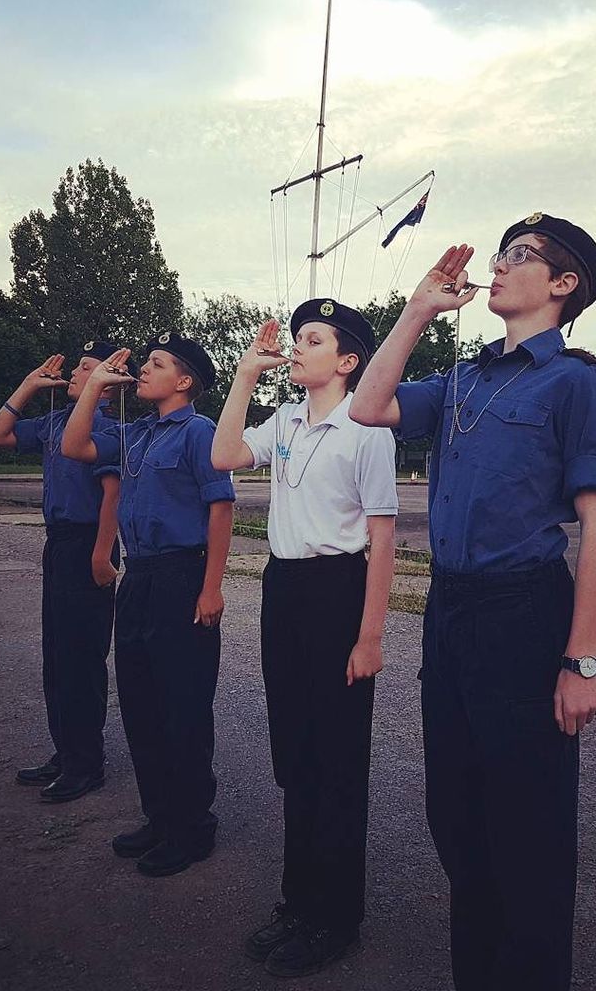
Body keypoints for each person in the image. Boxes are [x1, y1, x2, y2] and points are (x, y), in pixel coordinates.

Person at [349, 214, 596, 991]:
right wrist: (418, 310)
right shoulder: (463, 379)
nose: (498, 267)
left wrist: (581, 659)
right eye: (501, 254)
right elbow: (368, 407)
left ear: (564, 285)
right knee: (459, 820)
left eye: (520, 256)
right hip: (452, 610)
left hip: (524, 612)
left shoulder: (574, 382)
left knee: (528, 830)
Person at [211, 299, 398, 978]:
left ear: (347, 361)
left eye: (311, 340)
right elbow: (224, 454)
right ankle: (300, 901)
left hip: (340, 593)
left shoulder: (367, 427)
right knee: (295, 751)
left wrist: (370, 635)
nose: (296, 347)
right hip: (284, 588)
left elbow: (382, 541)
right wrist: (243, 377)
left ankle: (336, 917)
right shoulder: (285, 418)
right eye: (296, 338)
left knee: (336, 758)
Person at [62, 333, 235, 877]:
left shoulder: (198, 431)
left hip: (183, 576)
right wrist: (94, 387)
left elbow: (221, 509)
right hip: (138, 576)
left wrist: (212, 588)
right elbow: (74, 445)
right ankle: (160, 817)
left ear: (183, 382)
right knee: (140, 703)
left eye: (155, 364)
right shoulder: (135, 434)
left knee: (182, 706)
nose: (142, 371)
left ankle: (192, 827)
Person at [0, 341, 127, 803]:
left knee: (82, 657)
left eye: (85, 369)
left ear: (105, 384)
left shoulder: (107, 428)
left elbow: (112, 496)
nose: (73, 374)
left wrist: (102, 555)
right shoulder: (55, 423)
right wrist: (27, 385)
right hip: (59, 543)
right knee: (58, 655)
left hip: (89, 544)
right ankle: (66, 750)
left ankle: (87, 763)